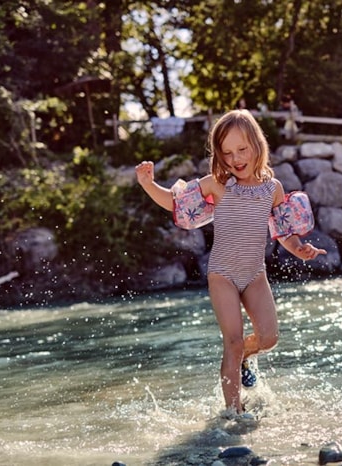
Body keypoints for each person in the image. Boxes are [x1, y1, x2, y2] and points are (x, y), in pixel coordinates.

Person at [135, 109, 326, 417]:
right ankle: (233, 413)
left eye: (242, 149)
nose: (236, 158)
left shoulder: (272, 189)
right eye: (227, 153)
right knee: (233, 341)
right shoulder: (218, 185)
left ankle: (246, 358)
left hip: (254, 275)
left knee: (269, 337)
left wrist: (299, 248)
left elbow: (282, 230)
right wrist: (148, 184)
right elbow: (175, 202)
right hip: (222, 275)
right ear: (219, 156)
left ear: (257, 146)